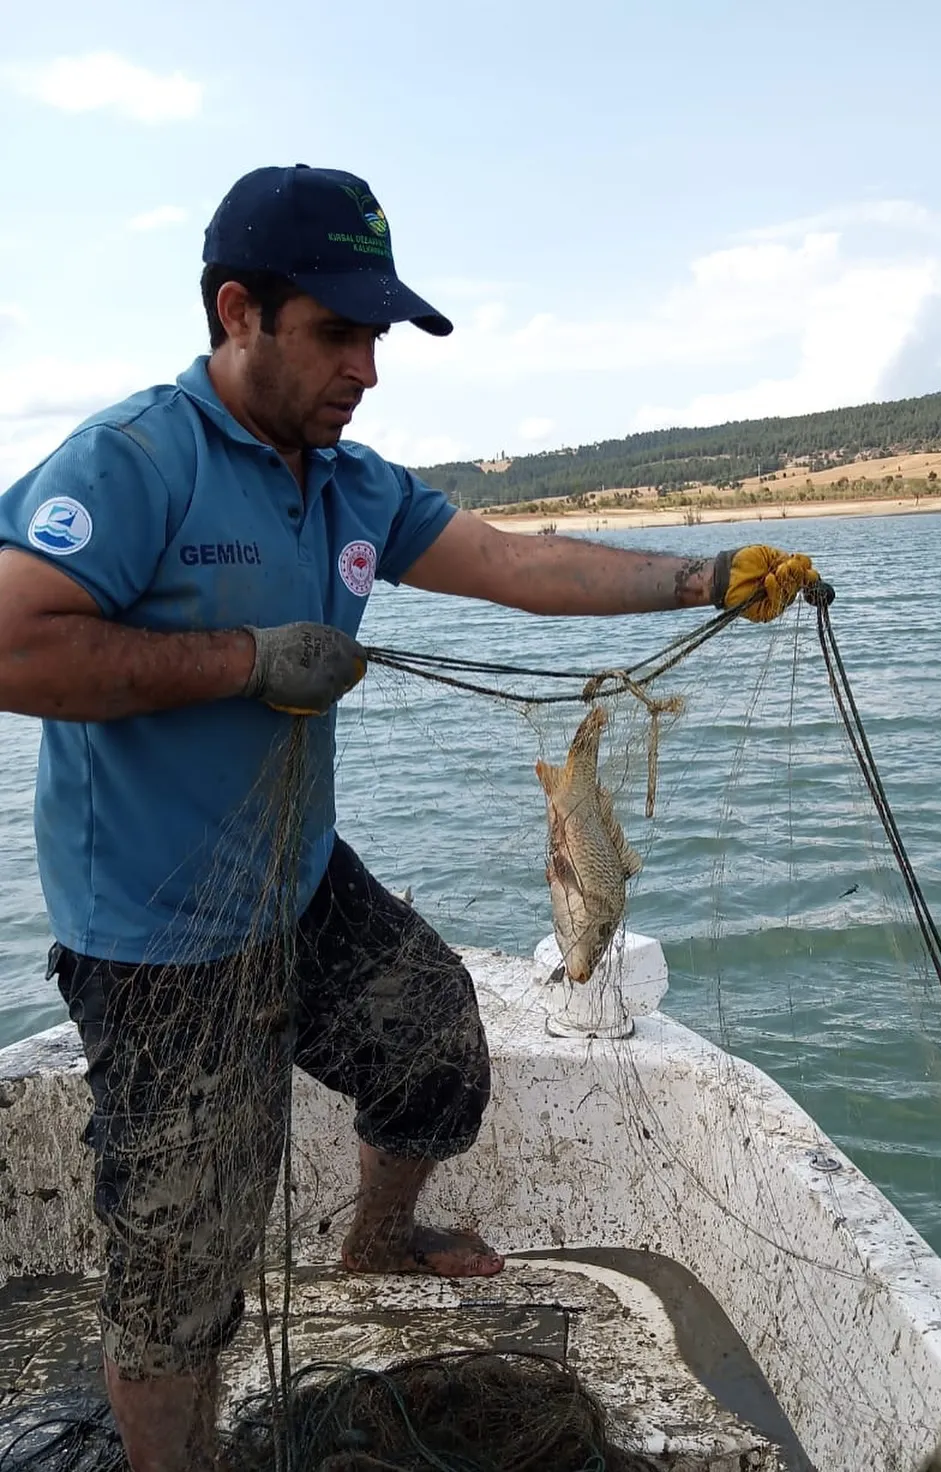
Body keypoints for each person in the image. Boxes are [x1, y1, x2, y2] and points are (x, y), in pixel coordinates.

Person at [0, 164, 820, 1472]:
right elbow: (10, 645)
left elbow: (513, 565)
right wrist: (245, 662)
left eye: (377, 336)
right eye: (338, 331)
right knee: (184, 1259)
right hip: (155, 937)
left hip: (298, 879)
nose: (367, 367)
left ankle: (377, 1235)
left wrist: (705, 576)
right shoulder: (133, 460)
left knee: (435, 1038)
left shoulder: (354, 485)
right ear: (238, 314)